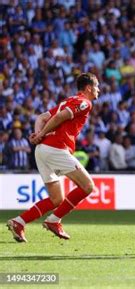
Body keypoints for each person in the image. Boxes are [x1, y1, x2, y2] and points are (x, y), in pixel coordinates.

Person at [7, 73, 100, 242]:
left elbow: (42, 117)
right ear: (88, 88)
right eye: (97, 86)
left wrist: (37, 135)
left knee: (56, 199)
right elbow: (59, 118)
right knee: (87, 186)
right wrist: (41, 133)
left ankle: (19, 222)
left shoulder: (69, 100)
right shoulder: (85, 103)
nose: (98, 90)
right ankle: (54, 220)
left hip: (42, 149)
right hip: (56, 148)